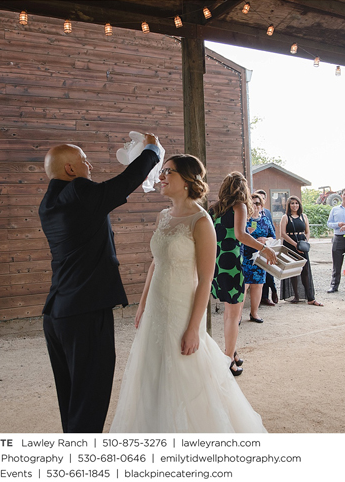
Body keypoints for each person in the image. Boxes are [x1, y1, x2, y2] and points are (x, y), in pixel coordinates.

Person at [110, 156, 266, 433]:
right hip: (156, 306)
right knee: (152, 369)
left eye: (168, 172)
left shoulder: (201, 220)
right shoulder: (163, 216)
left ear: (187, 180)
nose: (161, 177)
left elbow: (205, 279)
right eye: (162, 171)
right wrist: (142, 304)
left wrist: (194, 328)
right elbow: (155, 263)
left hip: (182, 309)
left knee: (184, 370)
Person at [39, 134, 161, 433]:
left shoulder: (49, 202)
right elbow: (120, 186)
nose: (90, 166)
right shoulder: (78, 191)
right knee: (90, 400)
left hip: (57, 312)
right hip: (85, 311)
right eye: (84, 161)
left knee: (72, 399)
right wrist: (151, 151)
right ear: (70, 169)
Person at [209, 172, 277, 376]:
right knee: (233, 314)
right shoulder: (239, 206)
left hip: (218, 264)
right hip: (232, 264)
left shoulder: (214, 209)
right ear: (243, 188)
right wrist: (264, 248)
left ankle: (232, 351)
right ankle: (229, 359)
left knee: (229, 312)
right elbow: (240, 234)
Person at [280, 195, 322, 306]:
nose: (295, 205)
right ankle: (296, 296)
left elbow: (307, 232)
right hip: (290, 245)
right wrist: (295, 245)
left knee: (305, 270)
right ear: (289, 205)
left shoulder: (304, 216)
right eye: (292, 203)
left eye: (296, 203)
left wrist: (305, 243)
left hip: (302, 246)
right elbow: (283, 234)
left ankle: (310, 298)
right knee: (293, 271)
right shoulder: (285, 217)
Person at [241, 193, 277, 321]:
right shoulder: (244, 219)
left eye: (257, 203)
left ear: (261, 205)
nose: (255, 206)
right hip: (245, 257)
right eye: (252, 203)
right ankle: (237, 316)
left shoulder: (265, 220)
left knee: (258, 285)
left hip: (260, 257)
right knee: (243, 286)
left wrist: (265, 239)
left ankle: (254, 313)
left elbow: (273, 237)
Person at [255, 189, 279, 306]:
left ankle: (272, 290)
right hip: (253, 248)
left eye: (262, 199)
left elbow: (272, 233)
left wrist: (266, 239)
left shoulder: (267, 214)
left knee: (268, 271)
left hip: (266, 247)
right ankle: (263, 298)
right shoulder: (248, 216)